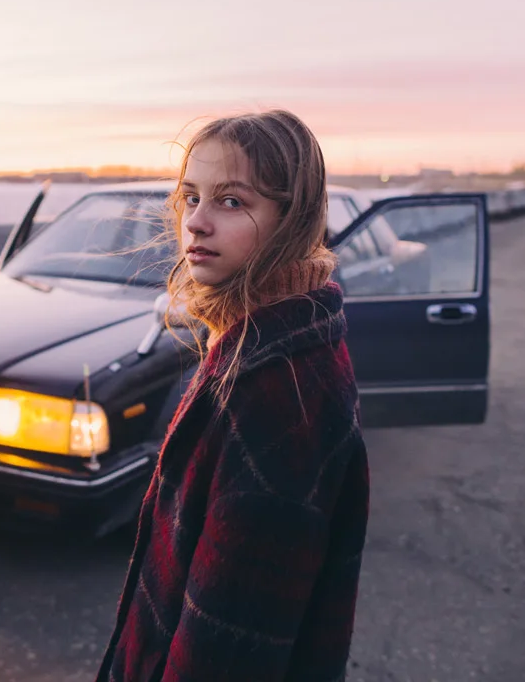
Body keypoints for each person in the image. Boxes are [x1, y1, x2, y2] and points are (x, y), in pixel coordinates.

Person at [96, 111, 371, 681]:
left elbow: (229, 643)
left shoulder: (282, 392)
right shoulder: (262, 335)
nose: (195, 222)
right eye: (190, 196)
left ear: (292, 220)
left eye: (231, 201)